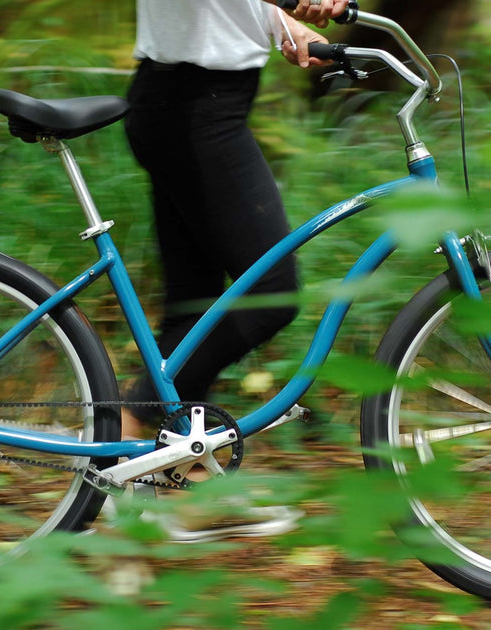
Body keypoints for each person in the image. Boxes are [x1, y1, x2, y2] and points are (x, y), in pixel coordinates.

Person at [122, 0, 349, 438]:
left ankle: (172, 467)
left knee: (194, 309)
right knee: (271, 291)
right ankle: (129, 420)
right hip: (195, 110)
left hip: (193, 102)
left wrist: (283, 21)